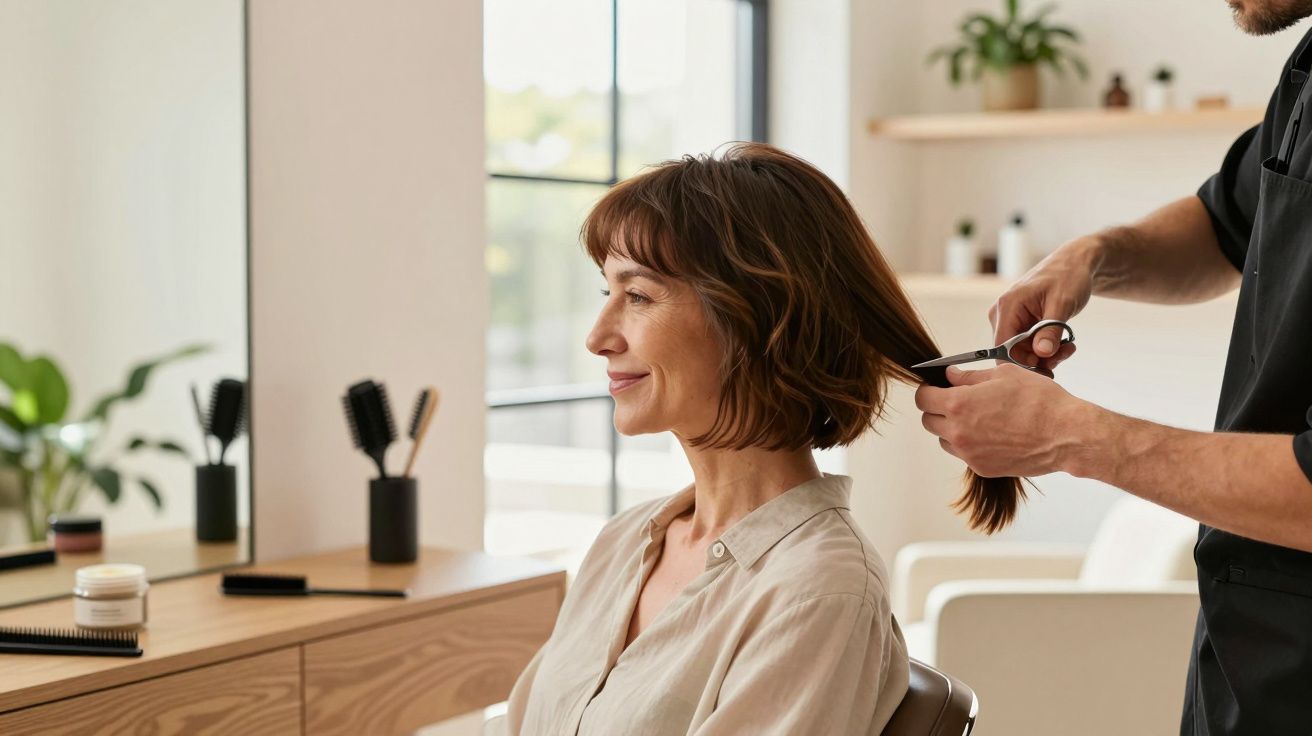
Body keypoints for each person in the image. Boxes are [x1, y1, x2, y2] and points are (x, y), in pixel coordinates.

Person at [914, 3, 1312, 734]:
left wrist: (1072, 438)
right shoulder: (1309, 71)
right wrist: (1091, 256)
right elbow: (1227, 221)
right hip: (1246, 660)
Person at [503, 142, 980, 734]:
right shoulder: (625, 542)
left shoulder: (818, 591)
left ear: (756, 318)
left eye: (638, 296)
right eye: (608, 293)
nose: (598, 336)